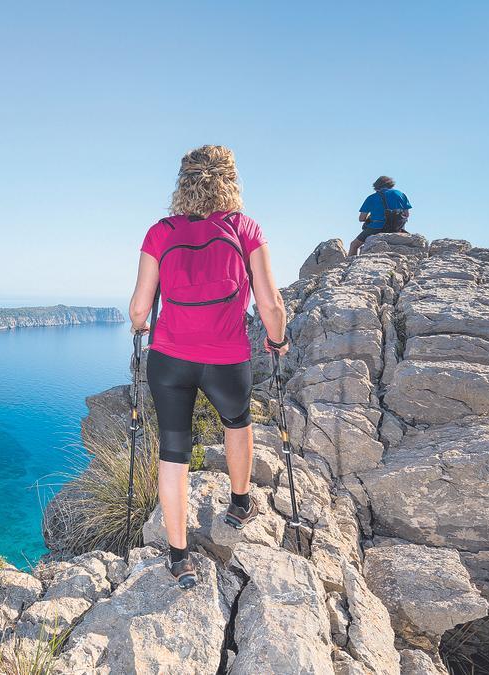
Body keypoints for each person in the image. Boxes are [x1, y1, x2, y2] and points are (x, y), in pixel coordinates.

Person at [128, 145, 289, 589]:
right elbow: (271, 305)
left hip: (169, 360)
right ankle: (239, 505)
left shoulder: (160, 231)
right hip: (226, 358)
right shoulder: (245, 228)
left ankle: (179, 558)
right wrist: (277, 340)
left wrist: (140, 327)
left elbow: (140, 309)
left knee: (173, 451)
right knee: (237, 423)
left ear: (183, 182)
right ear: (230, 180)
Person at [349, 176, 412, 256]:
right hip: (397, 228)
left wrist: (371, 218)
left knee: (354, 245)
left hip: (377, 227)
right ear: (391, 185)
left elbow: (361, 218)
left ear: (376, 186)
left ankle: (349, 264)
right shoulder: (400, 194)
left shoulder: (371, 198)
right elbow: (406, 214)